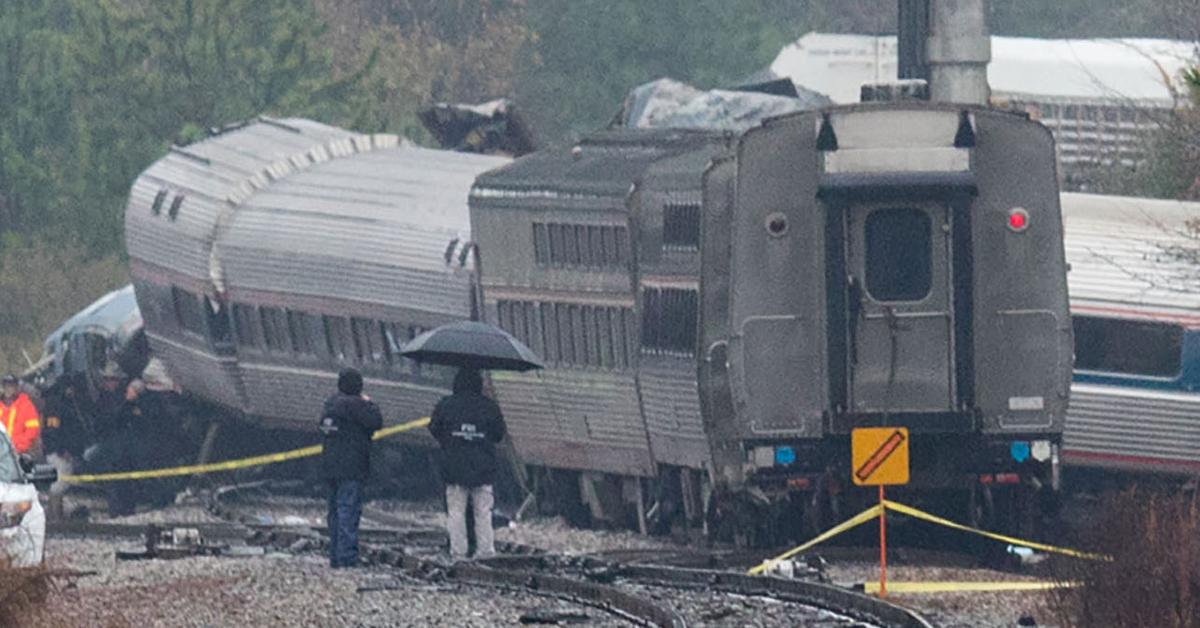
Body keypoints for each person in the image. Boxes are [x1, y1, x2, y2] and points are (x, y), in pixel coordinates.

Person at [429, 368, 507, 560]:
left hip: (454, 467)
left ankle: (458, 552)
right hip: (483, 468)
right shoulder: (489, 407)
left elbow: (434, 429)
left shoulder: (446, 405)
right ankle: (486, 551)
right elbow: (498, 435)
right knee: (483, 512)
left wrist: (451, 439)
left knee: (456, 512)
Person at [318, 368, 382, 568]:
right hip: (352, 466)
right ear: (358, 386)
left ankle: (335, 556)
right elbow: (376, 422)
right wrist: (369, 403)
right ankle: (347, 558)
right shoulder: (357, 406)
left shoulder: (330, 405)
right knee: (348, 511)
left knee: (334, 512)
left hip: (330, 465)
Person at [0, 375, 40, 455]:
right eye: (6, 386)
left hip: (21, 452)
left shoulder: (26, 405)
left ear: (16, 388)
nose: (8, 389)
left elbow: (32, 430)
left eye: (11, 386)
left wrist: (19, 446)